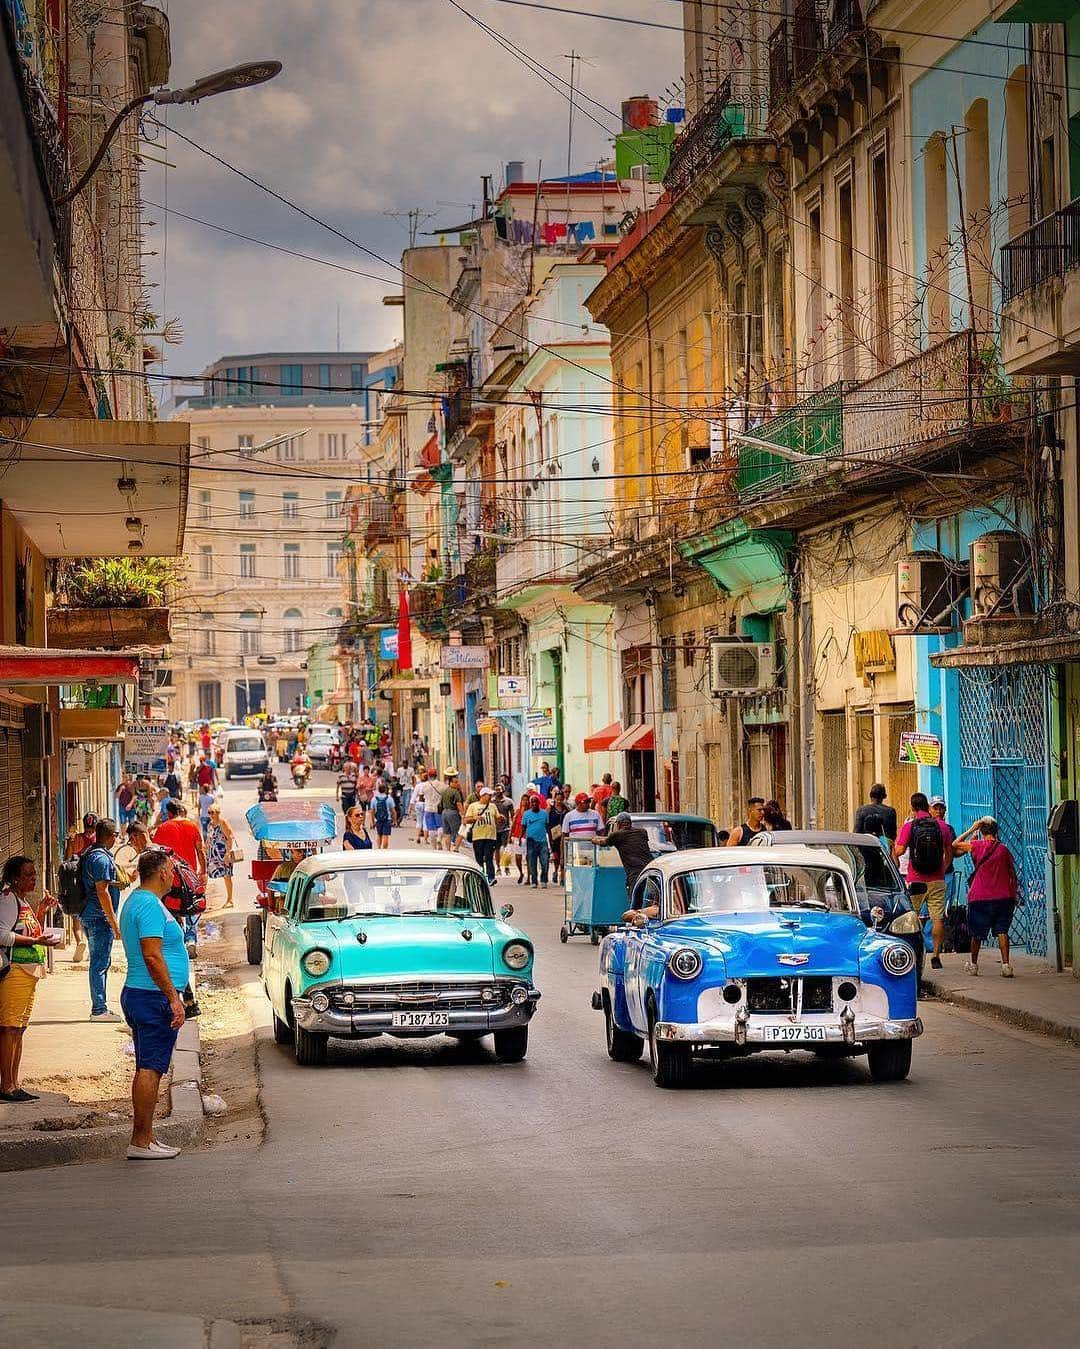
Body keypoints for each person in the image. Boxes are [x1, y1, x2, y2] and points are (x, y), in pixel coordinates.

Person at [118, 848, 188, 1159]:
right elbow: (151, 955)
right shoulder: (147, 904)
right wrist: (173, 997)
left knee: (149, 1066)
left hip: (143, 994)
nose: (174, 875)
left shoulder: (139, 900)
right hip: (152, 996)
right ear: (161, 873)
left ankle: (146, 1137)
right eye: (171, 870)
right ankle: (140, 1141)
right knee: (150, 1067)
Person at [0, 855, 62, 1102]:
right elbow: (3, 935)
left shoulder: (22, 901)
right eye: (28, 874)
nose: (33, 878)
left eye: (34, 873)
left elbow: (26, 929)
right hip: (15, 971)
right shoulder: (7, 900)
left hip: (28, 973)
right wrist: (36, 941)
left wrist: (42, 911)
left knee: (19, 1029)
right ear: (15, 878)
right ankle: (6, 1085)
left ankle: (14, 1083)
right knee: (9, 1028)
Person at [893, 791, 953, 971]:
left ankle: (915, 952)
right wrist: (942, 867)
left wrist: (892, 848)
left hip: (916, 878)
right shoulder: (941, 826)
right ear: (928, 807)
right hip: (937, 879)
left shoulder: (910, 826)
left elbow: (900, 851)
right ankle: (936, 955)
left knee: (912, 917)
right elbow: (949, 852)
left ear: (912, 807)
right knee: (937, 918)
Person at [953, 817, 1018, 977]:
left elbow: (954, 845)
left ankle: (974, 965)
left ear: (981, 831)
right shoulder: (1003, 850)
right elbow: (1012, 874)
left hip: (979, 897)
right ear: (996, 831)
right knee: (1002, 931)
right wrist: (1013, 894)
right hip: (1003, 897)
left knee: (976, 934)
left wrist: (971, 829)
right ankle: (1006, 965)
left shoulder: (975, 846)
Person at [81, 817, 123, 1022]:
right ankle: (99, 1010)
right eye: (116, 835)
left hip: (90, 915)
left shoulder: (91, 853)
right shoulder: (101, 859)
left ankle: (100, 1007)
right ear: (112, 836)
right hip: (99, 918)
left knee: (99, 962)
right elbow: (102, 891)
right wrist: (114, 923)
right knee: (99, 963)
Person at [586, 812, 654, 902]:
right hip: (650, 867)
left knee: (635, 898)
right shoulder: (642, 832)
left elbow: (604, 843)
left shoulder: (617, 835)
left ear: (618, 824)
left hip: (634, 871)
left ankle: (634, 912)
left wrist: (594, 840)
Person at [152, 799, 207, 877]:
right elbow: (200, 851)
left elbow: (155, 852)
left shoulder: (162, 828)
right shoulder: (192, 825)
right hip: (190, 874)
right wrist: (204, 872)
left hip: (170, 875)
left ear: (168, 813)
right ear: (179, 810)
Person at [205, 803, 236, 909]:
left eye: (213, 812)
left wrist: (227, 853)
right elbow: (208, 838)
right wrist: (206, 849)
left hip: (223, 854)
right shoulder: (210, 824)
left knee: (227, 876)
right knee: (209, 874)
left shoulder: (222, 823)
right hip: (213, 855)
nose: (211, 815)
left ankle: (230, 899)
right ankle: (203, 900)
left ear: (218, 812)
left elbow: (230, 837)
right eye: (209, 813)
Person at [468, 789, 500, 882]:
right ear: (483, 795)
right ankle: (480, 876)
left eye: (491, 795)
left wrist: (500, 819)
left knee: (489, 857)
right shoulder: (473, 806)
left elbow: (497, 819)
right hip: (478, 836)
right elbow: (466, 820)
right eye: (488, 795)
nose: (490, 797)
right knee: (479, 858)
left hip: (490, 836)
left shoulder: (493, 806)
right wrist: (475, 818)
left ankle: (491, 877)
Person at [521, 794, 551, 888]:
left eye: (536, 802)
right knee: (532, 862)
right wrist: (520, 838)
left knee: (545, 862)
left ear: (539, 803)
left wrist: (551, 839)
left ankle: (544, 880)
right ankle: (534, 881)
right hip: (531, 841)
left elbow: (547, 827)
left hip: (542, 842)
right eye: (532, 802)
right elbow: (523, 827)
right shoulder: (526, 814)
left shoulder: (544, 813)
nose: (534, 804)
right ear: (530, 804)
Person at [547, 787, 569, 885]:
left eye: (561, 799)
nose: (559, 801)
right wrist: (549, 836)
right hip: (554, 837)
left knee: (563, 855)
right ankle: (555, 871)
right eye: (557, 799)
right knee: (556, 856)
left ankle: (562, 876)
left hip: (563, 836)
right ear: (555, 799)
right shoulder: (550, 810)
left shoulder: (566, 810)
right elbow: (546, 823)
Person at [440, 769, 465, 853]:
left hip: (444, 813)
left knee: (447, 833)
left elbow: (440, 803)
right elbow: (459, 804)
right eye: (456, 782)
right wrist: (463, 815)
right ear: (451, 782)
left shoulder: (444, 791)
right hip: (452, 813)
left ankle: (448, 850)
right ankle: (455, 848)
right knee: (458, 831)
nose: (458, 783)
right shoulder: (455, 792)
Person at [371, 782, 394, 850]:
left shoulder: (374, 799)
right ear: (385, 790)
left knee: (379, 834)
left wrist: (372, 821)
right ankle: (385, 849)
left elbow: (372, 811)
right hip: (387, 819)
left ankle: (378, 848)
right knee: (385, 835)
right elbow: (393, 811)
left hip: (378, 819)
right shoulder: (389, 798)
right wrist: (394, 820)